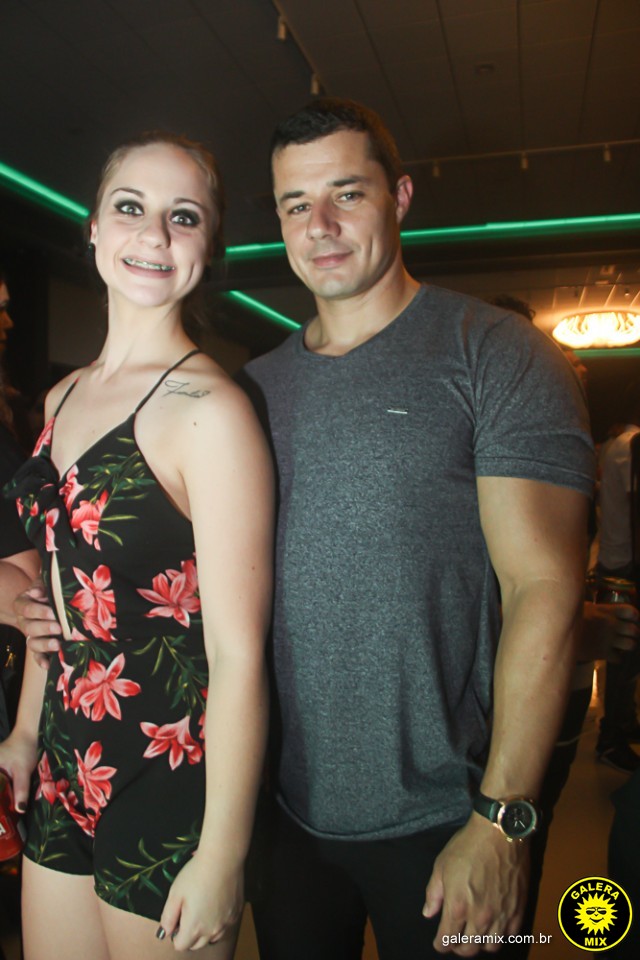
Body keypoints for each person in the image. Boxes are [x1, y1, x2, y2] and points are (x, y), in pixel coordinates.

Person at [236, 99, 595, 959]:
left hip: (451, 814)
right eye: (295, 204)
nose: (320, 226)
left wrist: (505, 819)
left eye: (346, 194)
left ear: (399, 197)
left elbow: (544, 587)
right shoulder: (250, 389)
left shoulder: (497, 351)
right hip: (285, 816)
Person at [0, 132, 274, 960]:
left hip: (172, 772)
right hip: (66, 756)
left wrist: (223, 855)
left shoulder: (211, 411)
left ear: (208, 248)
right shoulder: (62, 396)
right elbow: (58, 594)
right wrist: (24, 732)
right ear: (93, 228)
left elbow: (238, 656)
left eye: (182, 217)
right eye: (131, 207)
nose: (153, 234)